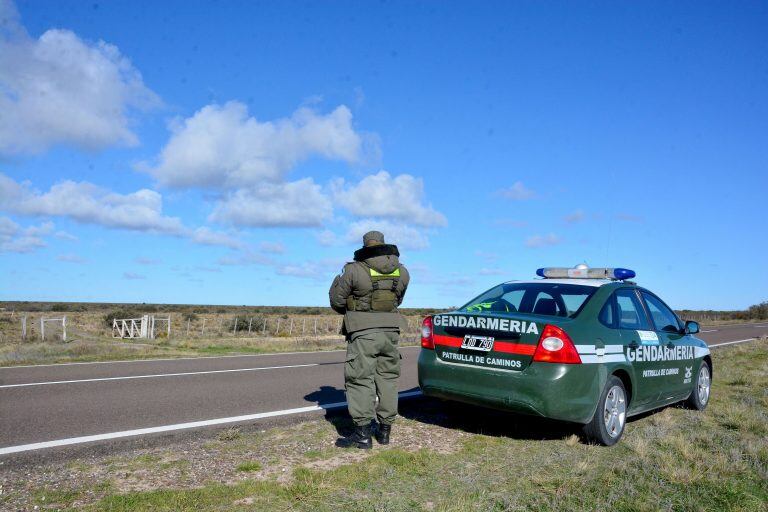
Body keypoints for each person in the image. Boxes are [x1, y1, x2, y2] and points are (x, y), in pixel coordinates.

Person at [329, 230, 410, 449]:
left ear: (366, 246)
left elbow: (337, 301)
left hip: (363, 332)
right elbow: (398, 300)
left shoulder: (354, 270)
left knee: (360, 379)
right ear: (383, 246)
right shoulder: (402, 272)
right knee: (388, 378)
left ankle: (362, 434)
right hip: (391, 331)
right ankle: (385, 432)